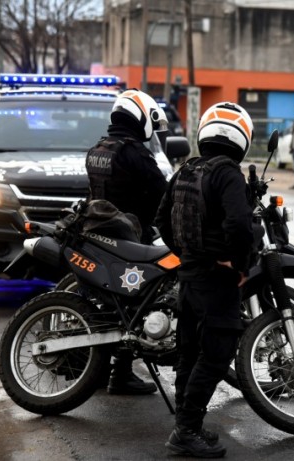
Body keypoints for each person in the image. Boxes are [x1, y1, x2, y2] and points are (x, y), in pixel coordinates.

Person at [156, 102, 257, 458]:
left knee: (190, 353)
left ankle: (189, 426)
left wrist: (186, 253)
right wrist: (240, 264)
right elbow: (240, 225)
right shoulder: (228, 173)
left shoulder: (186, 169)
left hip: (190, 277)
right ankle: (185, 431)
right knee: (216, 354)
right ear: (241, 136)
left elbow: (162, 221)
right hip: (216, 280)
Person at [84, 88, 169, 395]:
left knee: (113, 306)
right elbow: (163, 193)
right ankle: (120, 374)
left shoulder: (99, 148)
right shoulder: (134, 152)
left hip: (101, 236)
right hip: (130, 239)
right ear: (140, 117)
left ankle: (97, 371)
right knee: (138, 306)